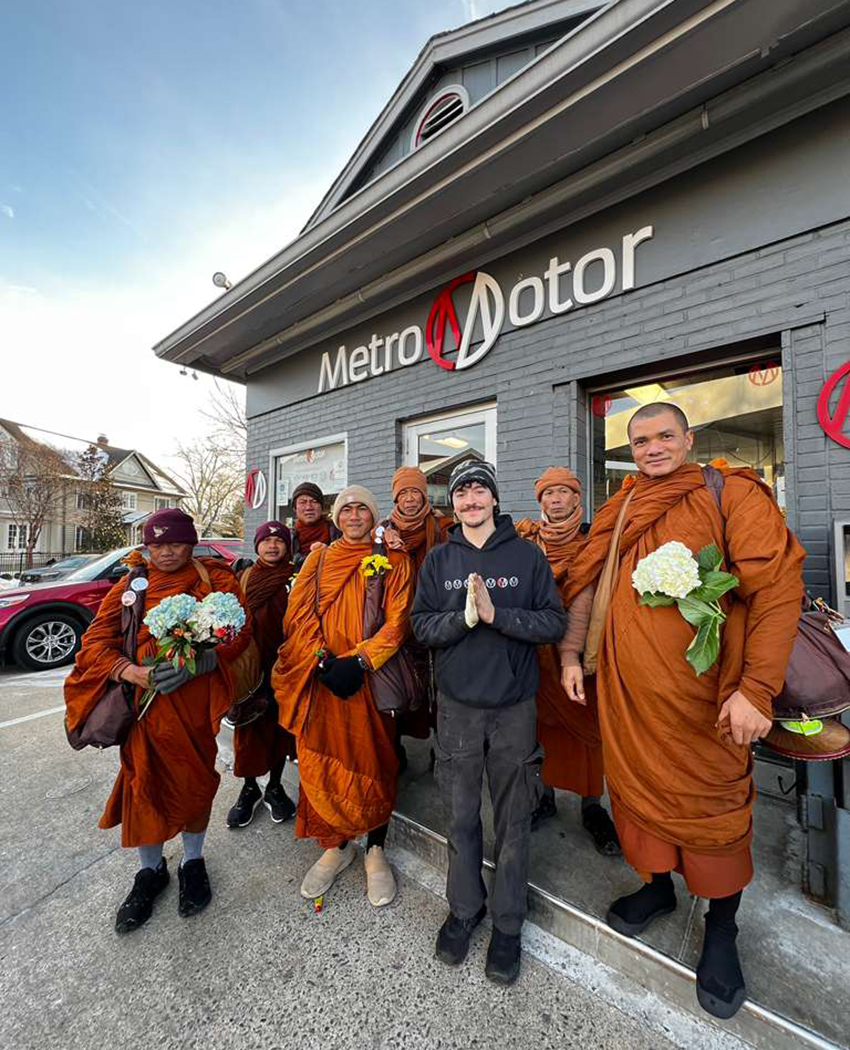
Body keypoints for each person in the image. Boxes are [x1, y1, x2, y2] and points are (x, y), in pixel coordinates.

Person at [563, 403, 805, 1020]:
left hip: (708, 703)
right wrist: (571, 653)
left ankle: (722, 927)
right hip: (626, 696)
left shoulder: (732, 494)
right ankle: (656, 889)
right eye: (639, 440)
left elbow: (776, 590)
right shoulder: (620, 507)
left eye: (664, 436)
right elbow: (589, 581)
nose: (652, 448)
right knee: (637, 798)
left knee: (714, 811)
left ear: (689, 438)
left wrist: (756, 688)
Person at [411, 460, 568, 986]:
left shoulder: (526, 556)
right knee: (459, 817)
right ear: (452, 504)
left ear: (495, 500)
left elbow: (554, 621)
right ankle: (464, 909)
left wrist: (500, 616)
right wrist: (464, 618)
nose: (471, 499)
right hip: (457, 708)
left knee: (513, 819)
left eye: (480, 490)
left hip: (513, 708)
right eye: (462, 492)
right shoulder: (439, 560)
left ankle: (507, 923)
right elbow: (420, 626)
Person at [64, 508, 252, 934]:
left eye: (174, 543)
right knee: (142, 783)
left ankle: (192, 861)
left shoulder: (214, 580)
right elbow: (94, 643)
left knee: (195, 779)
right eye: (156, 544)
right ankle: (149, 872)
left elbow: (240, 630)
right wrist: (131, 671)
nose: (165, 552)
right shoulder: (131, 585)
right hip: (145, 706)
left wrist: (205, 661)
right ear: (146, 547)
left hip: (195, 706)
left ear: (192, 543)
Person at [273, 485, 414, 907]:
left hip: (369, 680)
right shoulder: (318, 559)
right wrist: (321, 660)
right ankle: (334, 845)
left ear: (374, 517)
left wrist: (360, 661)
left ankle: (374, 848)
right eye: (347, 509)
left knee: (375, 760)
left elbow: (399, 621)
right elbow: (298, 615)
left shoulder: (394, 560)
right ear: (337, 517)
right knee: (320, 760)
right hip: (321, 679)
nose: (354, 516)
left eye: (362, 510)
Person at [515, 468, 619, 855]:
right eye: (548, 494)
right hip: (537, 656)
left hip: (586, 657)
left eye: (564, 492)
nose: (556, 499)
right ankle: (545, 797)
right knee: (540, 729)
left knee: (587, 732)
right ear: (540, 501)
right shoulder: (526, 543)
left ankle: (593, 807)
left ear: (578, 499)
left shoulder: (596, 543)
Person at [226, 521, 297, 828]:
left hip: (284, 667)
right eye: (266, 541)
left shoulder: (295, 576)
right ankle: (249, 788)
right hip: (249, 671)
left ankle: (276, 786)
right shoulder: (243, 578)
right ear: (256, 546)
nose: (272, 546)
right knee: (249, 732)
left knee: (281, 730)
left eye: (278, 541)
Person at [379, 466, 454, 757]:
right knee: (399, 682)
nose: (410, 499)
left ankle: (440, 747)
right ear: (396, 498)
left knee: (437, 686)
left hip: (435, 618)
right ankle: (396, 747)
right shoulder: (383, 530)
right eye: (404, 493)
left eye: (415, 492)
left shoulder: (443, 528)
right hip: (396, 620)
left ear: (424, 496)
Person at [289, 481, 341, 570]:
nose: (309, 507)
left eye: (314, 501)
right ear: (295, 508)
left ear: (321, 506)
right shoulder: (289, 537)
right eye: (303, 502)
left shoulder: (337, 532)